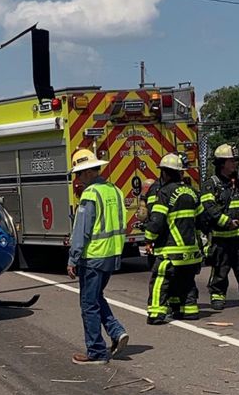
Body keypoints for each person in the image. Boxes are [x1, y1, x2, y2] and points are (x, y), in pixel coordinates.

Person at [67, 149, 128, 364]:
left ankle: (96, 352)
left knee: (88, 305)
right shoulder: (115, 190)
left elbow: (82, 230)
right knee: (96, 298)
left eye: (78, 174)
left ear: (87, 173)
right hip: (112, 254)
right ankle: (116, 331)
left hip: (93, 256)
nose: (77, 179)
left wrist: (73, 258)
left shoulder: (91, 194)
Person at [143, 153, 203, 323]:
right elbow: (201, 220)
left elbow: (157, 221)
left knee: (160, 281)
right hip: (191, 251)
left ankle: (156, 314)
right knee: (187, 282)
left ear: (165, 173)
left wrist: (149, 238)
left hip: (170, 250)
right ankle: (189, 310)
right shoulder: (192, 192)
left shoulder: (164, 193)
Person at [200, 144, 239, 310]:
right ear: (221, 163)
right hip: (221, 238)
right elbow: (209, 209)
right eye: (231, 160)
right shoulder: (210, 185)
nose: (234, 164)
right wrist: (227, 222)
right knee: (220, 270)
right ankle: (217, 296)